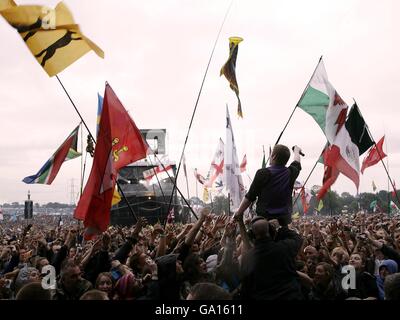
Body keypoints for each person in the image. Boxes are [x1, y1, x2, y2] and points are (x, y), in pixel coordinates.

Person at [234, 144, 302, 226]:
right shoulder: (291, 173)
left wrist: (238, 213)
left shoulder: (262, 173)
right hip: (283, 223)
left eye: (271, 154)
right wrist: (296, 151)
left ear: (273, 156)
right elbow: (297, 161)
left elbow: (249, 197)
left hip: (264, 222)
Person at [238, 216, 304, 300]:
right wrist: (279, 228)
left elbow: (246, 287)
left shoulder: (247, 258)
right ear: (271, 231)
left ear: (252, 235)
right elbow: (297, 238)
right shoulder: (284, 247)